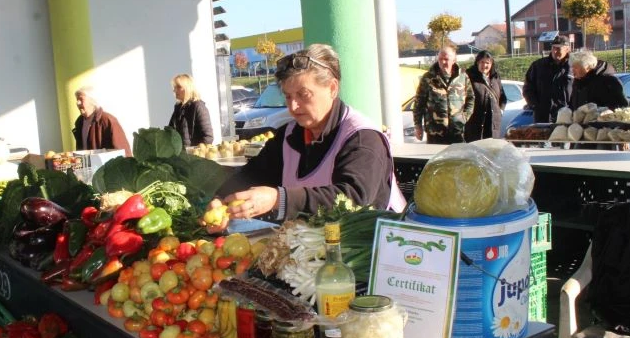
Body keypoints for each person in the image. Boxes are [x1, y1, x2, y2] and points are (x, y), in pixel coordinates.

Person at [205, 43, 404, 227]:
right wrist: (221, 198)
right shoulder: (289, 135)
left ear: (332, 88)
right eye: (288, 96)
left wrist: (278, 199)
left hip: (371, 249)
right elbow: (254, 173)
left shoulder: (362, 138)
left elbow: (353, 198)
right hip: (314, 246)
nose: (293, 106)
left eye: (303, 94)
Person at [413, 46, 474, 144]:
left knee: (456, 159)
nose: (443, 62)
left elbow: (471, 98)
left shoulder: (463, 77)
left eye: (446, 59)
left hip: (457, 132)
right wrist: (418, 126)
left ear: (454, 60)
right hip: (435, 133)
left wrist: (465, 117)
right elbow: (419, 103)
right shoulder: (428, 78)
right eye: (440, 59)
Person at [523, 34, 572, 123]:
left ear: (567, 49)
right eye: (554, 48)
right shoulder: (538, 66)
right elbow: (528, 88)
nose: (555, 51)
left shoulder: (573, 66)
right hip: (543, 116)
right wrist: (535, 106)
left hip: (567, 116)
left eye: (558, 48)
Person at [72, 86, 132, 156]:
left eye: (81, 99)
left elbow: (123, 150)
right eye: (77, 99)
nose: (77, 103)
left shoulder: (107, 120)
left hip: (106, 166)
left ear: (92, 101)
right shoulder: (79, 122)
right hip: (88, 165)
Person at [464, 50, 508, 142]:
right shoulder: (469, 77)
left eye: (487, 63)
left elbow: (503, 97)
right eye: (482, 62)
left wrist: (500, 111)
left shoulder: (495, 78)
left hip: (493, 124)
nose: (484, 65)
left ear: (491, 64)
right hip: (475, 124)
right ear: (477, 63)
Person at [168, 74, 214, 147]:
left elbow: (208, 137)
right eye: (174, 87)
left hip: (193, 156)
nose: (174, 90)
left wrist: (196, 154)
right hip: (180, 156)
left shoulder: (198, 107)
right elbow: (170, 131)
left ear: (188, 88)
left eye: (178, 87)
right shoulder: (178, 107)